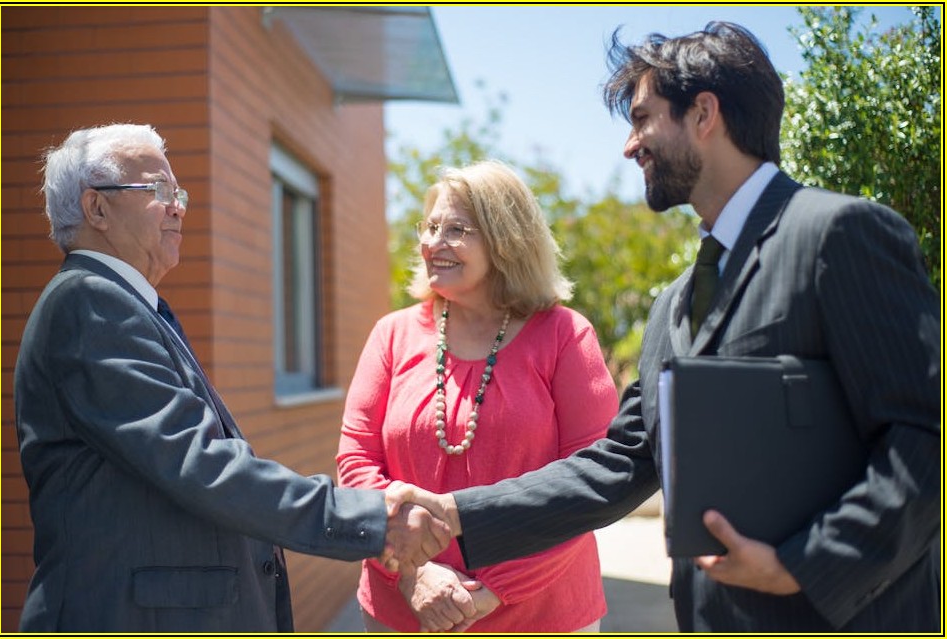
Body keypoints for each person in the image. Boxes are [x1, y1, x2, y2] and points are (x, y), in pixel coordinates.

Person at [388, 22, 940, 633]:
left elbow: (924, 432)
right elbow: (621, 462)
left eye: (643, 118)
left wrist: (803, 564)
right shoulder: (673, 306)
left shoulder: (840, 236)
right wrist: (456, 511)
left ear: (704, 114)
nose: (630, 145)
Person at [13, 123, 450, 632]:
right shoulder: (89, 302)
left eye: (177, 192)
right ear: (97, 209)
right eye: (157, 190)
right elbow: (200, 464)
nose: (177, 206)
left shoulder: (121, 303)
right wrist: (367, 517)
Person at [337, 160, 618, 632]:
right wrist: (413, 574)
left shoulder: (566, 336)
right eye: (429, 226)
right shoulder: (392, 334)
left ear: (505, 240)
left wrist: (492, 590)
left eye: (456, 229)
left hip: (541, 614)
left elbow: (591, 484)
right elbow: (356, 466)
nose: (432, 242)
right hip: (404, 609)